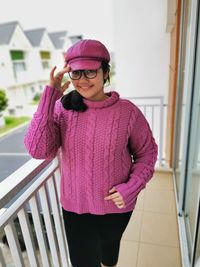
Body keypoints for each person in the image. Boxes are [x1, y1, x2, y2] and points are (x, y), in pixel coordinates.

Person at [24, 39, 158, 267]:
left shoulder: (128, 112)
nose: (83, 80)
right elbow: (39, 150)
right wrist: (50, 96)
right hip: (75, 208)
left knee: (110, 249)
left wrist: (133, 186)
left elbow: (147, 153)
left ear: (105, 72)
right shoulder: (62, 110)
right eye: (76, 73)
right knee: (84, 261)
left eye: (90, 71)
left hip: (117, 206)